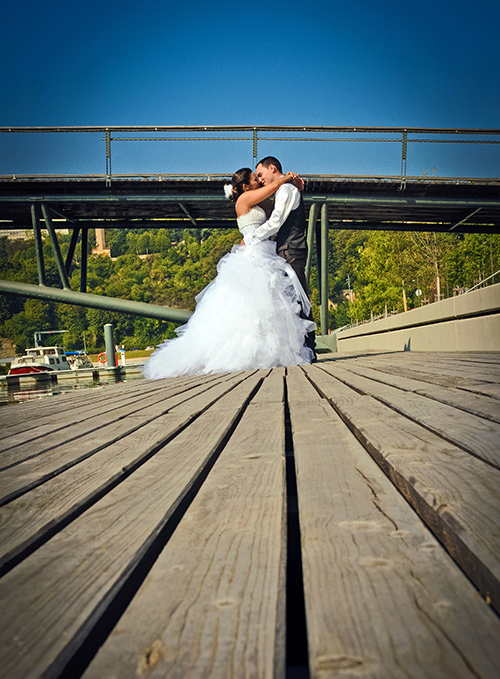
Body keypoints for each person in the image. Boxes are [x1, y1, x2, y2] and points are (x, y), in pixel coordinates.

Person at [144, 168, 316, 379]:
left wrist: (292, 188)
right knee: (249, 303)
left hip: (264, 251)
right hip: (254, 254)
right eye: (255, 179)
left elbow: (277, 205)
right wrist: (287, 177)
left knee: (267, 304)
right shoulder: (244, 199)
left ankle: (267, 350)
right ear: (245, 186)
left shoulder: (257, 201)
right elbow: (273, 187)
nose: (259, 181)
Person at [255, 156, 317, 358]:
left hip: (292, 249)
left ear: (272, 168)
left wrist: (252, 237)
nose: (260, 179)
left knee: (297, 299)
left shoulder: (287, 190)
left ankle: (309, 348)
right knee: (288, 300)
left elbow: (276, 222)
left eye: (261, 175)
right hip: (286, 250)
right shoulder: (283, 189)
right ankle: (300, 347)